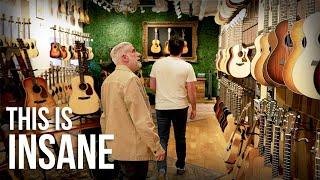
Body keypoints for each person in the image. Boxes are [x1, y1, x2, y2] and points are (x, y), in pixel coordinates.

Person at [100, 42, 166, 179]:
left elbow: (104, 117)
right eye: (133, 51)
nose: (138, 54)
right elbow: (142, 119)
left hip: (117, 146)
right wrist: (156, 147)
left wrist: (109, 145)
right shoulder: (130, 80)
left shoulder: (107, 81)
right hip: (133, 148)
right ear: (124, 57)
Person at [150, 36, 197, 177]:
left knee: (162, 138)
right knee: (180, 137)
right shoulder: (187, 66)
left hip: (162, 107)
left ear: (168, 48)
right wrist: (194, 107)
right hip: (180, 107)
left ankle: (161, 169)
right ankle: (181, 166)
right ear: (182, 49)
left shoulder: (157, 64)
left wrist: (165, 91)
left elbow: (152, 86)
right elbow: (191, 91)